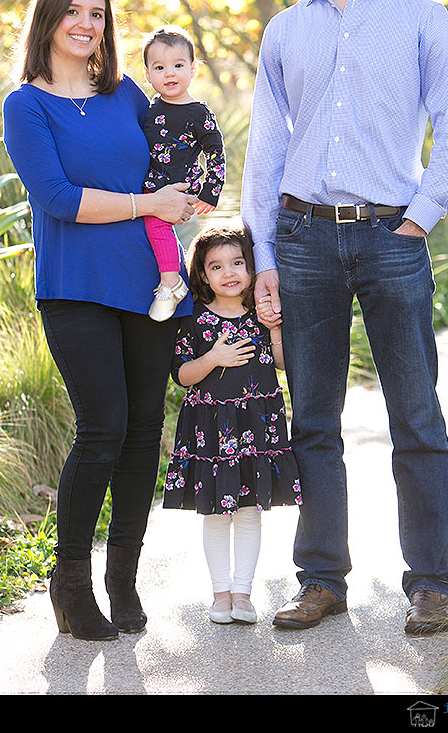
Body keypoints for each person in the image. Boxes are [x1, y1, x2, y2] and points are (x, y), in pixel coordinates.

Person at [241, 0, 448, 635]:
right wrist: (264, 253)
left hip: (390, 235)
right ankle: (320, 580)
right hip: (303, 236)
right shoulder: (285, 28)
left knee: (415, 414)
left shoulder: (420, 19)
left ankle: (433, 584)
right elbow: (265, 151)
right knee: (311, 417)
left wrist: (418, 217)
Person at [2, 0, 196, 641]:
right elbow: (57, 198)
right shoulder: (25, 105)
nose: (88, 24)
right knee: (102, 429)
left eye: (99, 14)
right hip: (75, 286)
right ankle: (70, 582)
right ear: (49, 19)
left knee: (144, 430)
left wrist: (195, 188)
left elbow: (168, 163)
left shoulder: (126, 94)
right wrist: (147, 204)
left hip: (148, 288)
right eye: (75, 12)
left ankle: (123, 578)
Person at [163, 223, 302, 624]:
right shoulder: (193, 319)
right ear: (203, 275)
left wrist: (275, 329)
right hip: (211, 427)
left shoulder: (260, 316)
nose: (230, 272)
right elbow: (182, 374)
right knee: (215, 512)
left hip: (256, 426)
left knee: (248, 512)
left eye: (238, 262)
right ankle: (220, 593)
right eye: (217, 266)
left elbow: (281, 363)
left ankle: (243, 593)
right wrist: (214, 358)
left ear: (251, 267)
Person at [142, 25, 226, 321]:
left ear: (193, 69)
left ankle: (171, 282)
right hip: (151, 185)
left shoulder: (198, 113)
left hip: (179, 188)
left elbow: (215, 152)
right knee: (149, 228)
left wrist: (210, 191)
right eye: (160, 67)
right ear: (148, 74)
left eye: (178, 66)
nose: (170, 74)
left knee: (157, 223)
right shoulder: (149, 108)